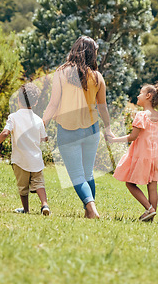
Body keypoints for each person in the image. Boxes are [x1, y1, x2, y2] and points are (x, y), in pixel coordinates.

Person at [42, 36, 113, 219]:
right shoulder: (97, 76)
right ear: (91, 53)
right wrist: (108, 128)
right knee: (88, 173)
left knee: (76, 175)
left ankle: (92, 208)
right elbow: (103, 106)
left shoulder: (62, 72)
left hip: (68, 129)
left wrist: (42, 125)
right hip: (91, 129)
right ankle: (89, 213)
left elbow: (53, 103)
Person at [0, 83, 50, 215]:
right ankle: (45, 205)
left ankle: (25, 209)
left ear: (19, 100)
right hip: (36, 160)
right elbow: (44, 138)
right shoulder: (38, 120)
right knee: (39, 184)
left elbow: (5, 133)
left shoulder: (13, 117)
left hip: (20, 160)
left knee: (23, 187)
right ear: (35, 102)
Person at [108, 81, 158, 222]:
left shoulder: (141, 115)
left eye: (140, 93)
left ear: (147, 96)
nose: (137, 95)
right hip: (155, 156)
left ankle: (149, 209)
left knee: (129, 183)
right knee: (152, 187)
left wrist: (114, 140)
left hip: (143, 156)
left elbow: (133, 136)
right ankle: (150, 216)